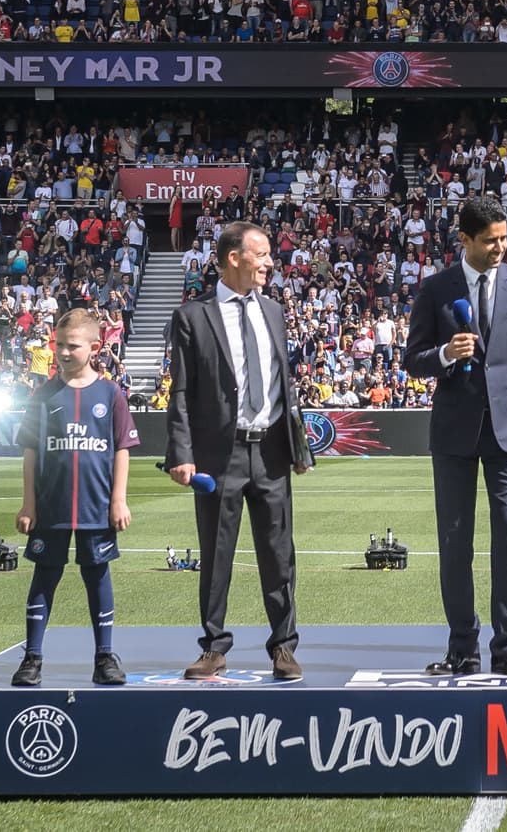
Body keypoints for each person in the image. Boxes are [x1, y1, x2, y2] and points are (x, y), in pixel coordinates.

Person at [405, 196, 507, 678]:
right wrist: (445, 353)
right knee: (454, 541)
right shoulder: (434, 289)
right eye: (491, 240)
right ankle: (462, 648)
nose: (501, 247)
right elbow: (413, 360)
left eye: (505, 238)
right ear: (464, 239)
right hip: (453, 432)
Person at [165, 221, 312, 681]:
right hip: (217, 455)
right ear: (234, 258)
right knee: (216, 554)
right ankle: (214, 647)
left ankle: (283, 647)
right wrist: (180, 453)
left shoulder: (273, 312)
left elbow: (283, 387)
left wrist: (297, 447)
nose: (271, 262)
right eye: (263, 254)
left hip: (270, 450)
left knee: (279, 553)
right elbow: (182, 391)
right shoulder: (193, 316)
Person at [11, 309, 140, 687]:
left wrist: (119, 499)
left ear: (95, 347)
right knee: (44, 575)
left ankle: (104, 657)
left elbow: (121, 449)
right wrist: (28, 503)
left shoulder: (110, 393)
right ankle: (32, 658)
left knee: (97, 576)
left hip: (96, 507)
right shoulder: (43, 394)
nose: (63, 353)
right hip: (49, 507)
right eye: (58, 346)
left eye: (72, 346)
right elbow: (31, 450)